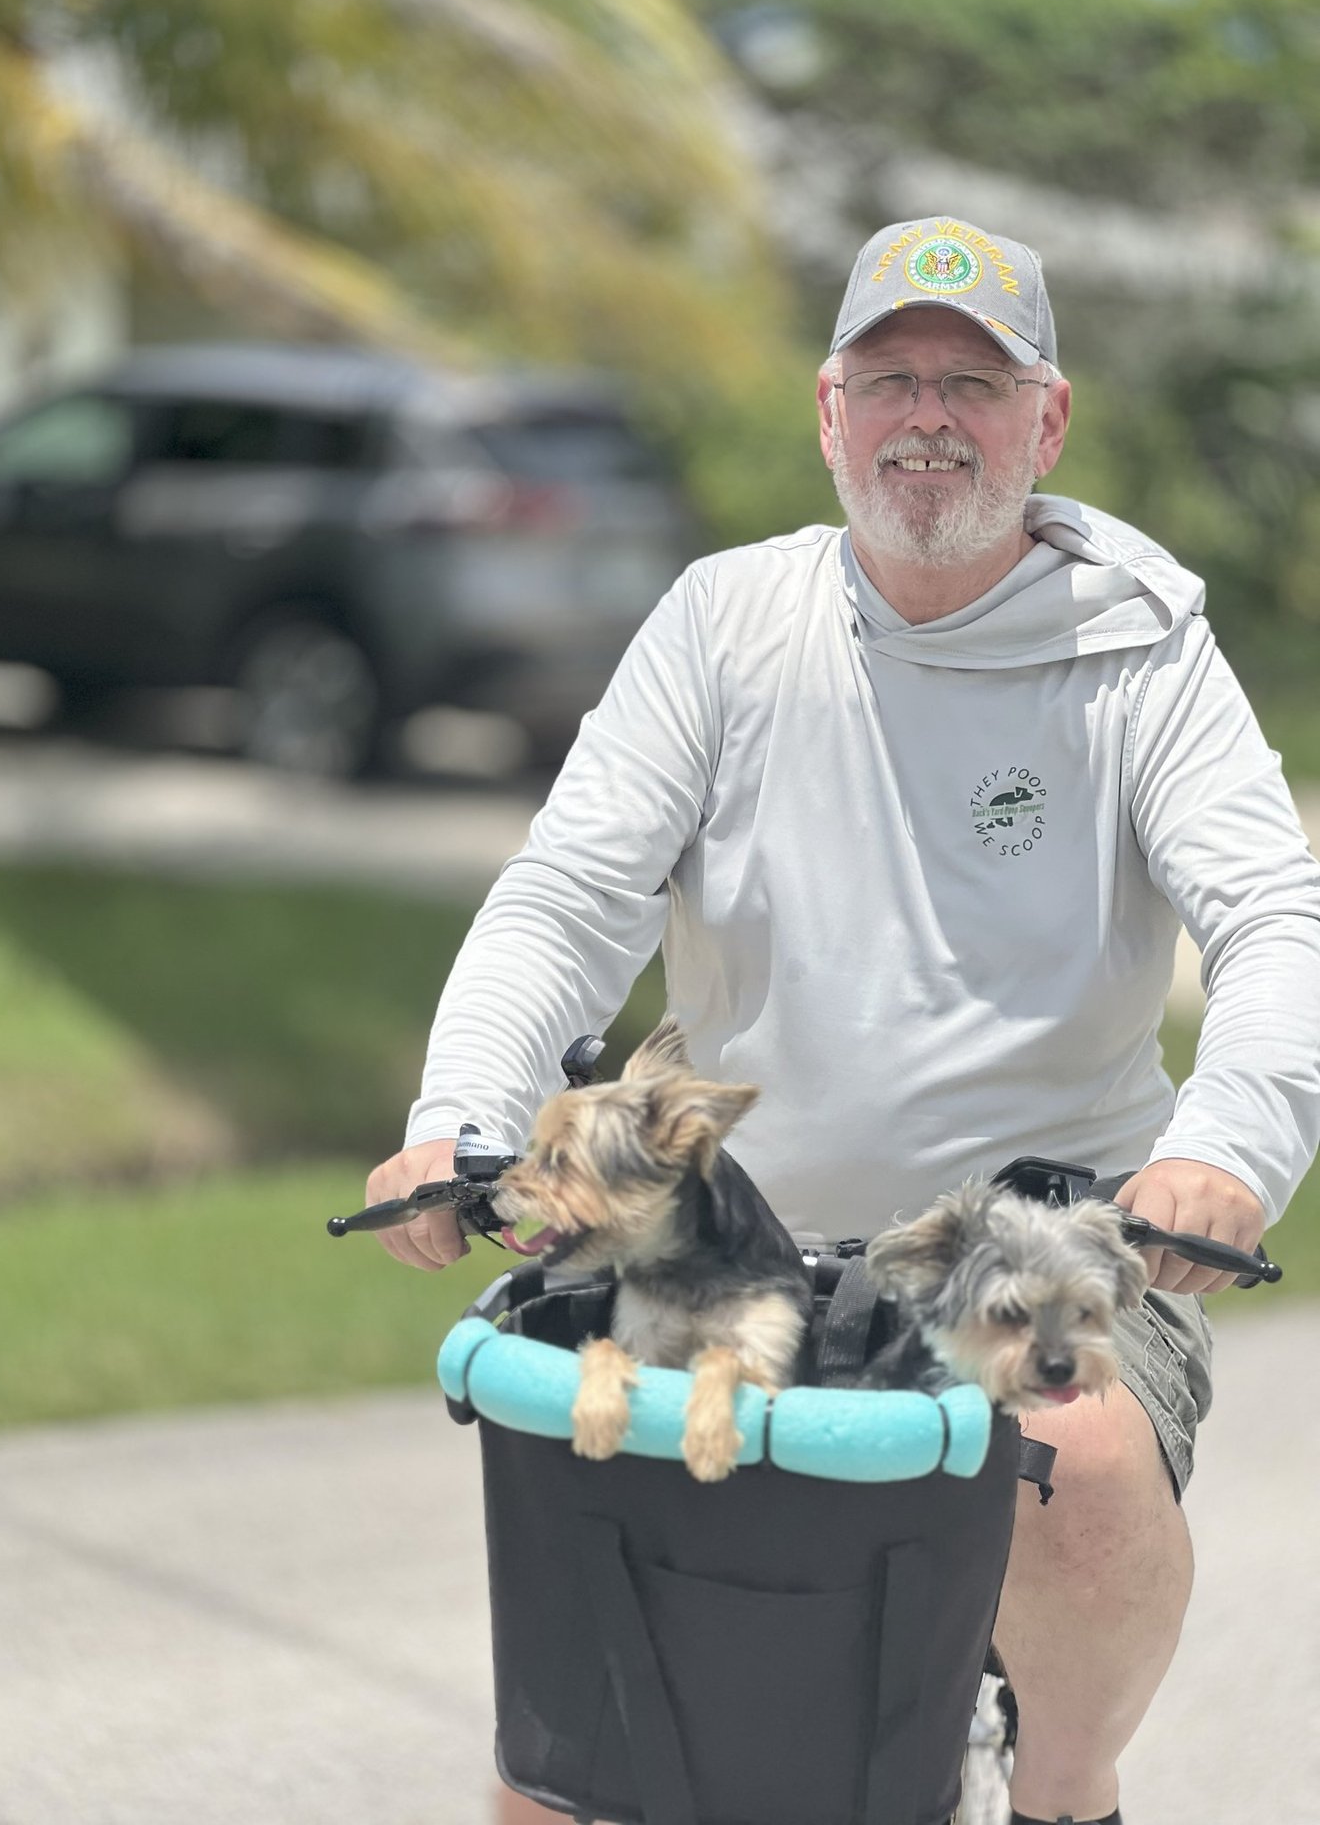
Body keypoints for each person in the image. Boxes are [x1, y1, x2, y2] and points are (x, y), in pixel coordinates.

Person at [367, 216, 1320, 1825]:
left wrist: (1226, 1148)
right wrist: (454, 1113)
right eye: (889, 379)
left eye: (972, 379)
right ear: (830, 415)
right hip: (729, 1244)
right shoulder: (724, 623)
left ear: (1048, 421)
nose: (927, 416)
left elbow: (1275, 920)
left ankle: (1063, 1788)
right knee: (568, 1730)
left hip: (1039, 1240)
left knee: (1072, 1469)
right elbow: (567, 898)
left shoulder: (1144, 644)